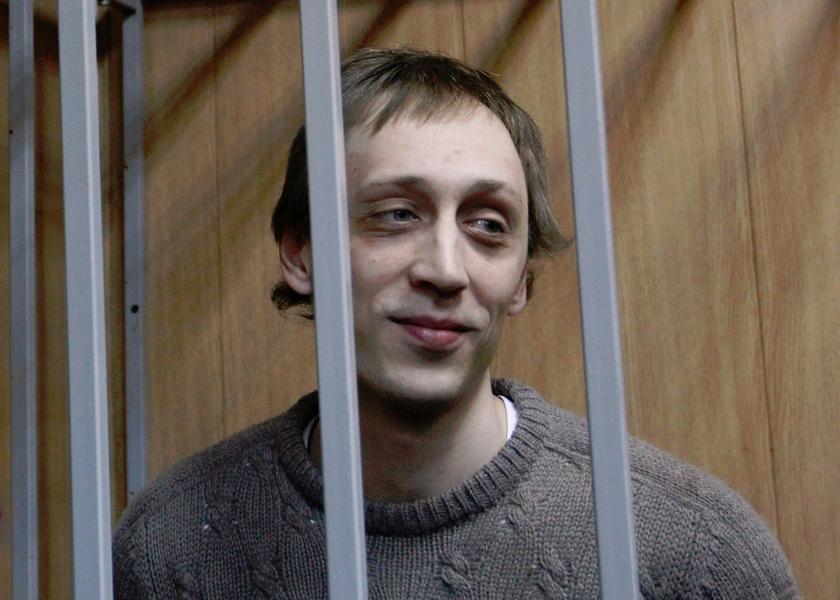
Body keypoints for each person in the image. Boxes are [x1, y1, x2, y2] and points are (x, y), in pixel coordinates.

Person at [113, 48, 800, 599]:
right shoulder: (173, 542)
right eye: (397, 214)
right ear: (302, 253)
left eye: (488, 226)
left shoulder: (694, 550)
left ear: (523, 279)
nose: (445, 269)